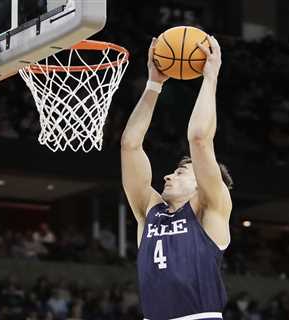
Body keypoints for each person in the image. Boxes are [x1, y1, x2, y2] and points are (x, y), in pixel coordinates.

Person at [121, 35, 233, 320]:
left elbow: (199, 139)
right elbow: (130, 144)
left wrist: (210, 78)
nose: (168, 176)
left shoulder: (210, 210)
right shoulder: (149, 211)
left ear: (201, 183)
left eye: (182, 171)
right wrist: (153, 85)